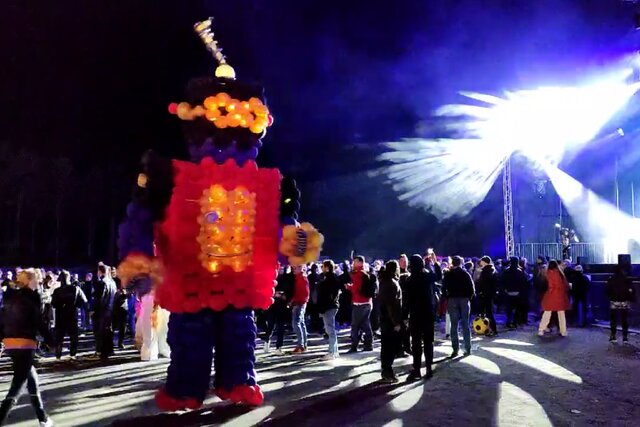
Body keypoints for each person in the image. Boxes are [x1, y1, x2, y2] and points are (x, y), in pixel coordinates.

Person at [0, 269, 54, 427]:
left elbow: (3, 318)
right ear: (30, 280)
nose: (39, 281)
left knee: (31, 378)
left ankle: (43, 418)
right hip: (25, 344)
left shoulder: (11, 296)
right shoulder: (33, 297)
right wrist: (51, 340)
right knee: (17, 385)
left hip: (10, 343)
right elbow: (39, 320)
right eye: (37, 279)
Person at [405, 253, 441, 381]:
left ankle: (417, 369)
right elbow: (439, 276)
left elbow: (406, 300)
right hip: (428, 313)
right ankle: (429, 368)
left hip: (415, 314)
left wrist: (405, 315)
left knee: (416, 343)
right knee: (428, 342)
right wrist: (435, 262)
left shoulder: (409, 280)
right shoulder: (427, 277)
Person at [442, 256, 475, 358]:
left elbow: (443, 288)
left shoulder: (448, 274)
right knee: (465, 324)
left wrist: (447, 297)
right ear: (461, 263)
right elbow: (472, 288)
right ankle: (468, 349)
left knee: (454, 325)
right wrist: (468, 297)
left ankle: (455, 350)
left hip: (452, 299)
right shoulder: (465, 274)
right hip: (464, 299)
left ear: (452, 263)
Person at [51, 271, 87, 360]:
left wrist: (61, 305)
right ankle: (72, 354)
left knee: (59, 337)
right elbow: (84, 301)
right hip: (72, 315)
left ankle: (58, 356)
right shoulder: (76, 289)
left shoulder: (57, 291)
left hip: (60, 316)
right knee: (74, 336)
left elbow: (53, 304)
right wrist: (76, 305)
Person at [345, 256, 376, 353]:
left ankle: (354, 346)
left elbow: (356, 289)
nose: (353, 264)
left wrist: (349, 287)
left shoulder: (357, 274)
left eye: (355, 262)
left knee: (355, 325)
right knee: (366, 324)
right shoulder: (366, 273)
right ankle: (369, 344)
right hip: (368, 302)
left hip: (359, 303)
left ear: (360, 263)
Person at [378, 260, 403, 383]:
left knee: (386, 346)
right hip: (390, 320)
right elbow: (392, 305)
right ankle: (388, 372)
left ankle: (386, 371)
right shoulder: (392, 283)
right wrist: (396, 322)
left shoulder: (383, 281)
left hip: (384, 319)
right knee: (390, 347)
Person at [264, 266, 293, 355]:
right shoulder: (272, 278)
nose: (281, 270)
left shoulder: (287, 278)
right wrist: (274, 294)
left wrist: (285, 296)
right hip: (273, 305)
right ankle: (267, 342)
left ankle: (278, 347)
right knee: (271, 326)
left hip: (281, 306)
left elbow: (290, 291)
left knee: (280, 327)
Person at [538, 260, 570, 337]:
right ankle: (563, 331)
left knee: (547, 313)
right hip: (560, 296)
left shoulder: (546, 274)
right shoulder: (560, 274)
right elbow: (566, 285)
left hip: (550, 296)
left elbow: (544, 285)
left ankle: (541, 330)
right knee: (561, 314)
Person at [317, 260, 341, 360]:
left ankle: (332, 352)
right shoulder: (333, 278)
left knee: (330, 329)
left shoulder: (328, 280)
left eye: (323, 266)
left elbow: (326, 295)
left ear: (327, 268)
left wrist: (322, 308)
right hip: (331, 306)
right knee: (330, 329)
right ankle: (335, 351)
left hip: (328, 306)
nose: (321, 268)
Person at [92, 265, 117, 359]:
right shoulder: (112, 282)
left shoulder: (102, 283)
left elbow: (100, 298)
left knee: (100, 332)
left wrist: (94, 310)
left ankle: (102, 352)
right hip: (110, 309)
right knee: (108, 330)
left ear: (100, 271)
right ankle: (110, 350)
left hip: (102, 310)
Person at [606, 265, 635, 342]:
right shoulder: (626, 279)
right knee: (624, 319)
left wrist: (610, 298)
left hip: (614, 302)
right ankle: (625, 337)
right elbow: (631, 290)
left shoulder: (611, 279)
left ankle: (613, 336)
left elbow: (607, 290)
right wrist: (630, 299)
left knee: (613, 319)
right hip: (624, 302)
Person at [501, 257, 529, 329]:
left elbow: (502, 282)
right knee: (517, 309)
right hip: (517, 294)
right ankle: (515, 322)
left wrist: (505, 290)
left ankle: (508, 322)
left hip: (508, 293)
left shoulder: (506, 271)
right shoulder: (520, 272)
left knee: (509, 309)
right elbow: (524, 283)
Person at [476, 256, 498, 336]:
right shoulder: (492, 270)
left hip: (485, 295)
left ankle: (492, 330)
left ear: (485, 262)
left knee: (488, 313)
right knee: (488, 313)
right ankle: (489, 329)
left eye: (481, 261)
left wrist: (480, 291)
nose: (480, 263)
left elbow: (482, 283)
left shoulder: (486, 271)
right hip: (489, 294)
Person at [290, 265, 310, 354]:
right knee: (301, 323)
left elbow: (304, 293)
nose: (294, 269)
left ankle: (301, 345)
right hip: (300, 302)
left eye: (296, 268)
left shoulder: (302, 278)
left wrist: (294, 300)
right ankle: (303, 345)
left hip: (299, 303)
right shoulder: (299, 277)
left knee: (296, 323)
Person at [398, 254, 411, 356]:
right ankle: (400, 348)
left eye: (405, 260)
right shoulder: (397, 274)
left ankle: (407, 347)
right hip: (399, 304)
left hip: (408, 303)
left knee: (407, 327)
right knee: (401, 327)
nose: (404, 262)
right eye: (402, 261)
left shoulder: (410, 273)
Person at [112, 283, 129, 350]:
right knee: (115, 327)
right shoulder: (118, 291)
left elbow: (125, 296)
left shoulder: (124, 290)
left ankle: (120, 342)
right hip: (117, 309)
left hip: (122, 310)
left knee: (122, 327)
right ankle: (115, 342)